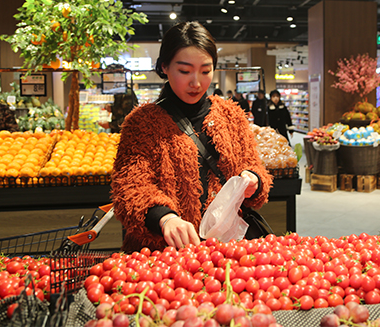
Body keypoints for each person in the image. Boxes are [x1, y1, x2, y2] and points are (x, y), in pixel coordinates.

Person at [111, 21, 272, 252]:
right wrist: (165, 218)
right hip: (162, 256)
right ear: (164, 66)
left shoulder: (232, 116)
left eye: (206, 71)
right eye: (184, 71)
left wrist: (253, 180)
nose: (196, 82)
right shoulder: (141, 123)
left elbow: (253, 166)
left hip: (224, 253)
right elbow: (130, 188)